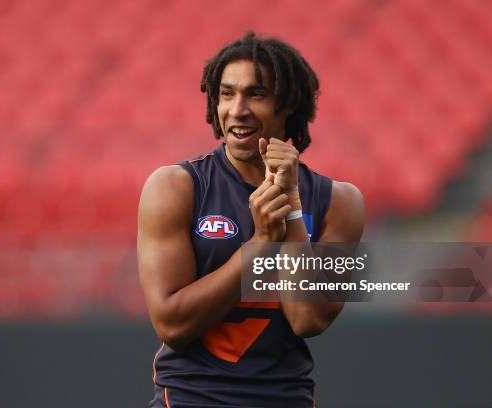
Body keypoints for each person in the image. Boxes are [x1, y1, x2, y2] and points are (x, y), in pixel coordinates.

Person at [138, 32, 365, 408]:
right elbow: (171, 324)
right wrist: (261, 244)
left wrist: (291, 206)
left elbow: (307, 319)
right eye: (227, 94)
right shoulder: (175, 187)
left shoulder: (341, 202)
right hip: (191, 400)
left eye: (256, 94)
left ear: (288, 104)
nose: (237, 109)